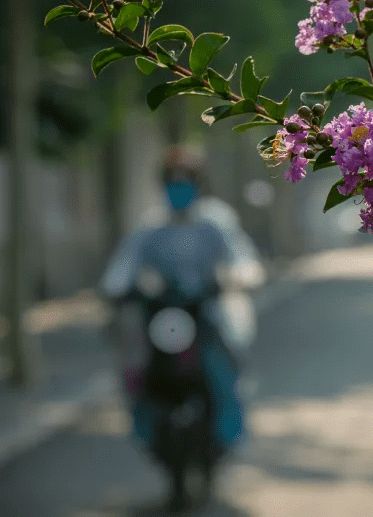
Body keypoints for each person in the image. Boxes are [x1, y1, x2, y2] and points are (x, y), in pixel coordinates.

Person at [99, 146, 264, 510]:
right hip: (163, 318)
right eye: (172, 183)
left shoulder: (216, 222)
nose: (178, 189)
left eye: (185, 182)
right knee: (136, 373)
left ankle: (225, 435)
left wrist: (240, 278)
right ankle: (145, 433)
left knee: (223, 370)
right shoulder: (151, 227)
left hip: (206, 315)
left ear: (198, 184)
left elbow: (243, 260)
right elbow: (122, 268)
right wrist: (117, 289)